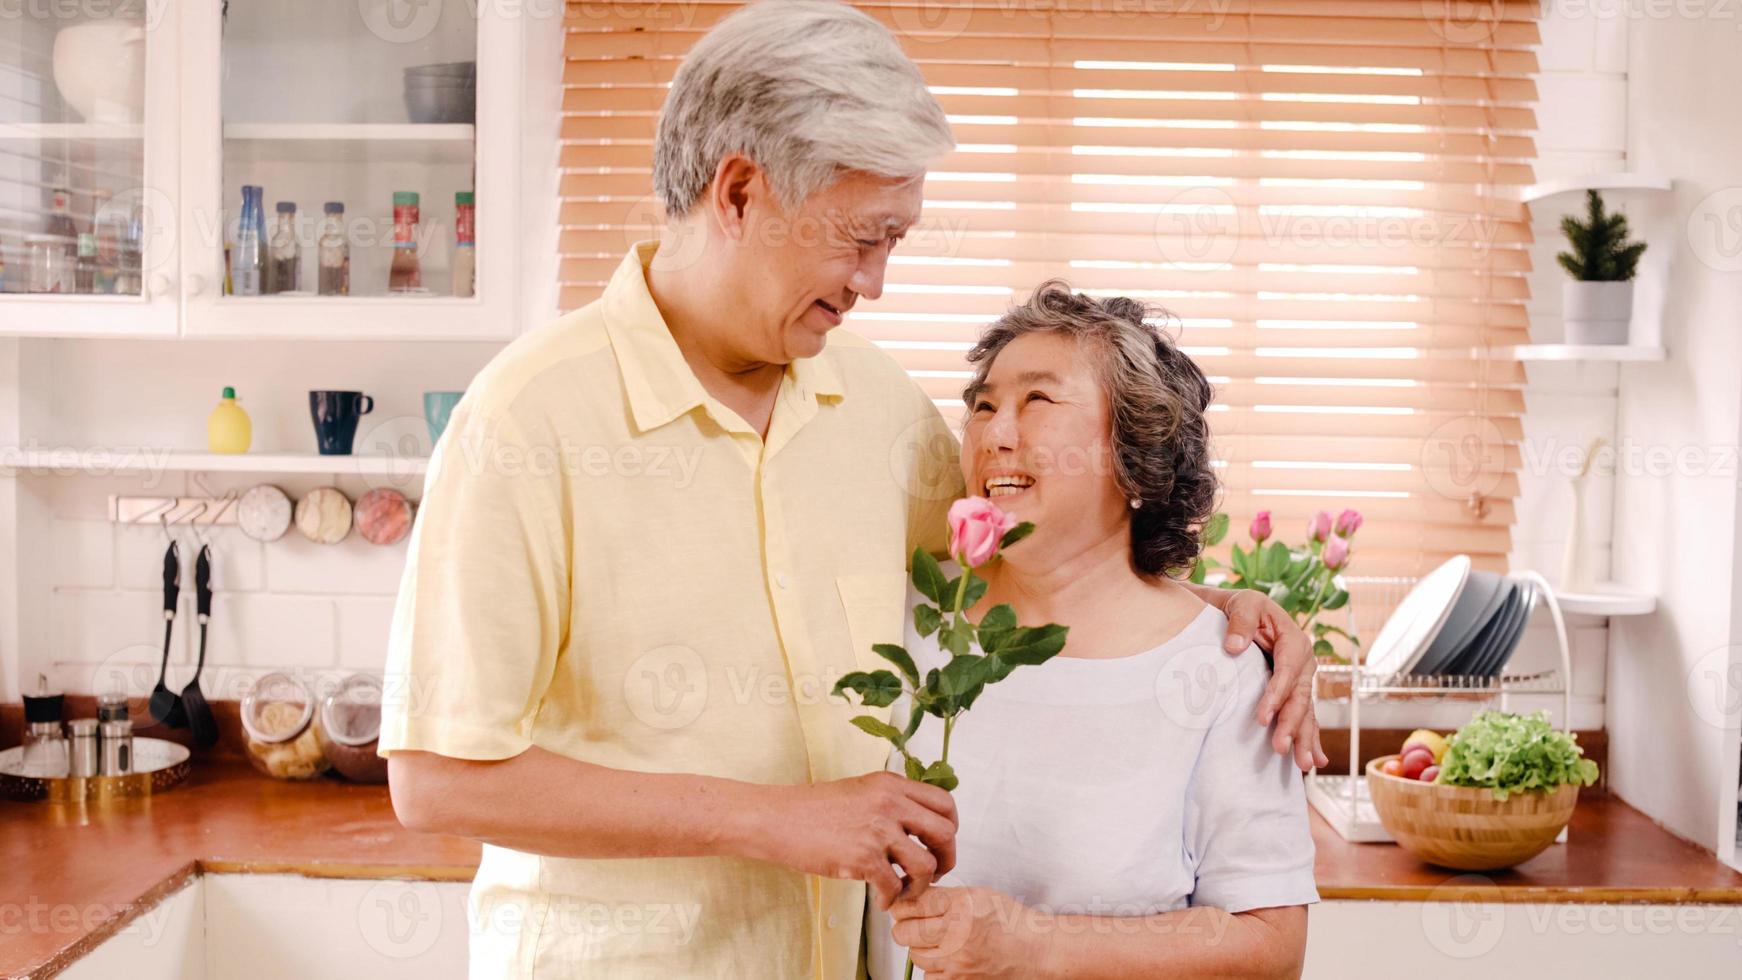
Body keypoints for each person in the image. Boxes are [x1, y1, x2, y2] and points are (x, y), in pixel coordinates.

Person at [379, 3, 1324, 977]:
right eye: (860, 238)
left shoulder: (879, 411)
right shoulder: (526, 422)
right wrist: (772, 818)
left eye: (894, 242)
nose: (872, 280)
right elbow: (438, 775)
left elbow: (1024, 562)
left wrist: (1226, 613)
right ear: (739, 192)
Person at [872, 283, 1318, 979]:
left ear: (1135, 454)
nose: (995, 433)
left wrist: (1034, 946)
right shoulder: (903, 616)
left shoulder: (1223, 666)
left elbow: (1270, 944)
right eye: (982, 406)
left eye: (1038, 401)